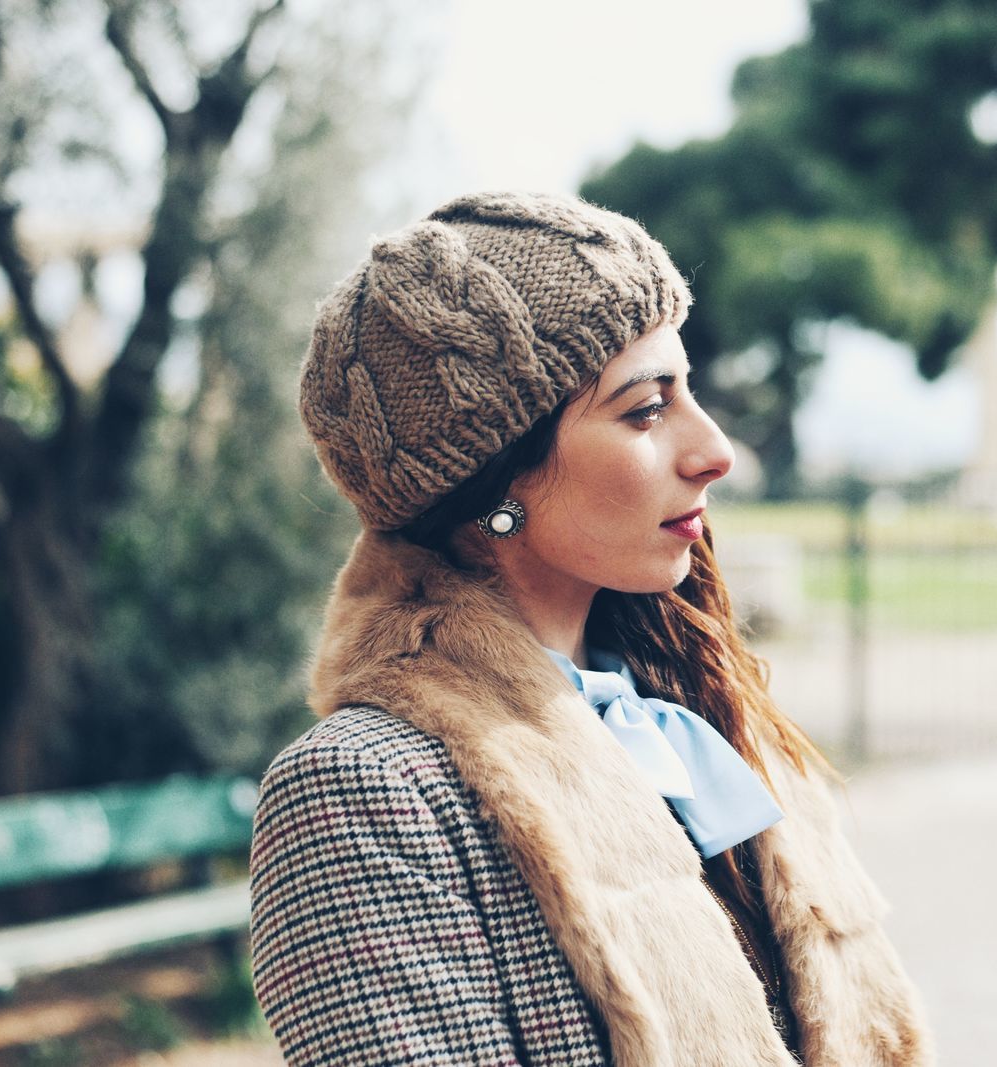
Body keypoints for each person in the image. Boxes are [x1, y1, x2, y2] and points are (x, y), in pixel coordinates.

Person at [249, 191, 932, 1067]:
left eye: (689, 391)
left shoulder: (700, 717)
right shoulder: (365, 794)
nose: (715, 448)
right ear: (496, 483)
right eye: (646, 409)